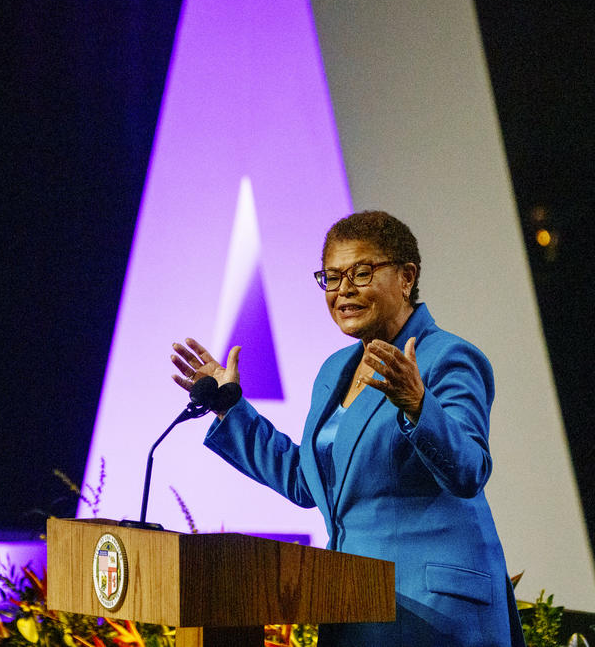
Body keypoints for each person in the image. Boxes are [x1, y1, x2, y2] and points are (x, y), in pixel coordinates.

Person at [170, 210, 525, 647]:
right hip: (355, 603)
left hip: (434, 612)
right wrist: (229, 409)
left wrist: (417, 404)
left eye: (361, 273)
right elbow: (309, 482)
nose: (343, 291)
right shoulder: (335, 370)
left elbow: (469, 470)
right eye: (332, 277)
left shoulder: (447, 357)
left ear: (406, 277)